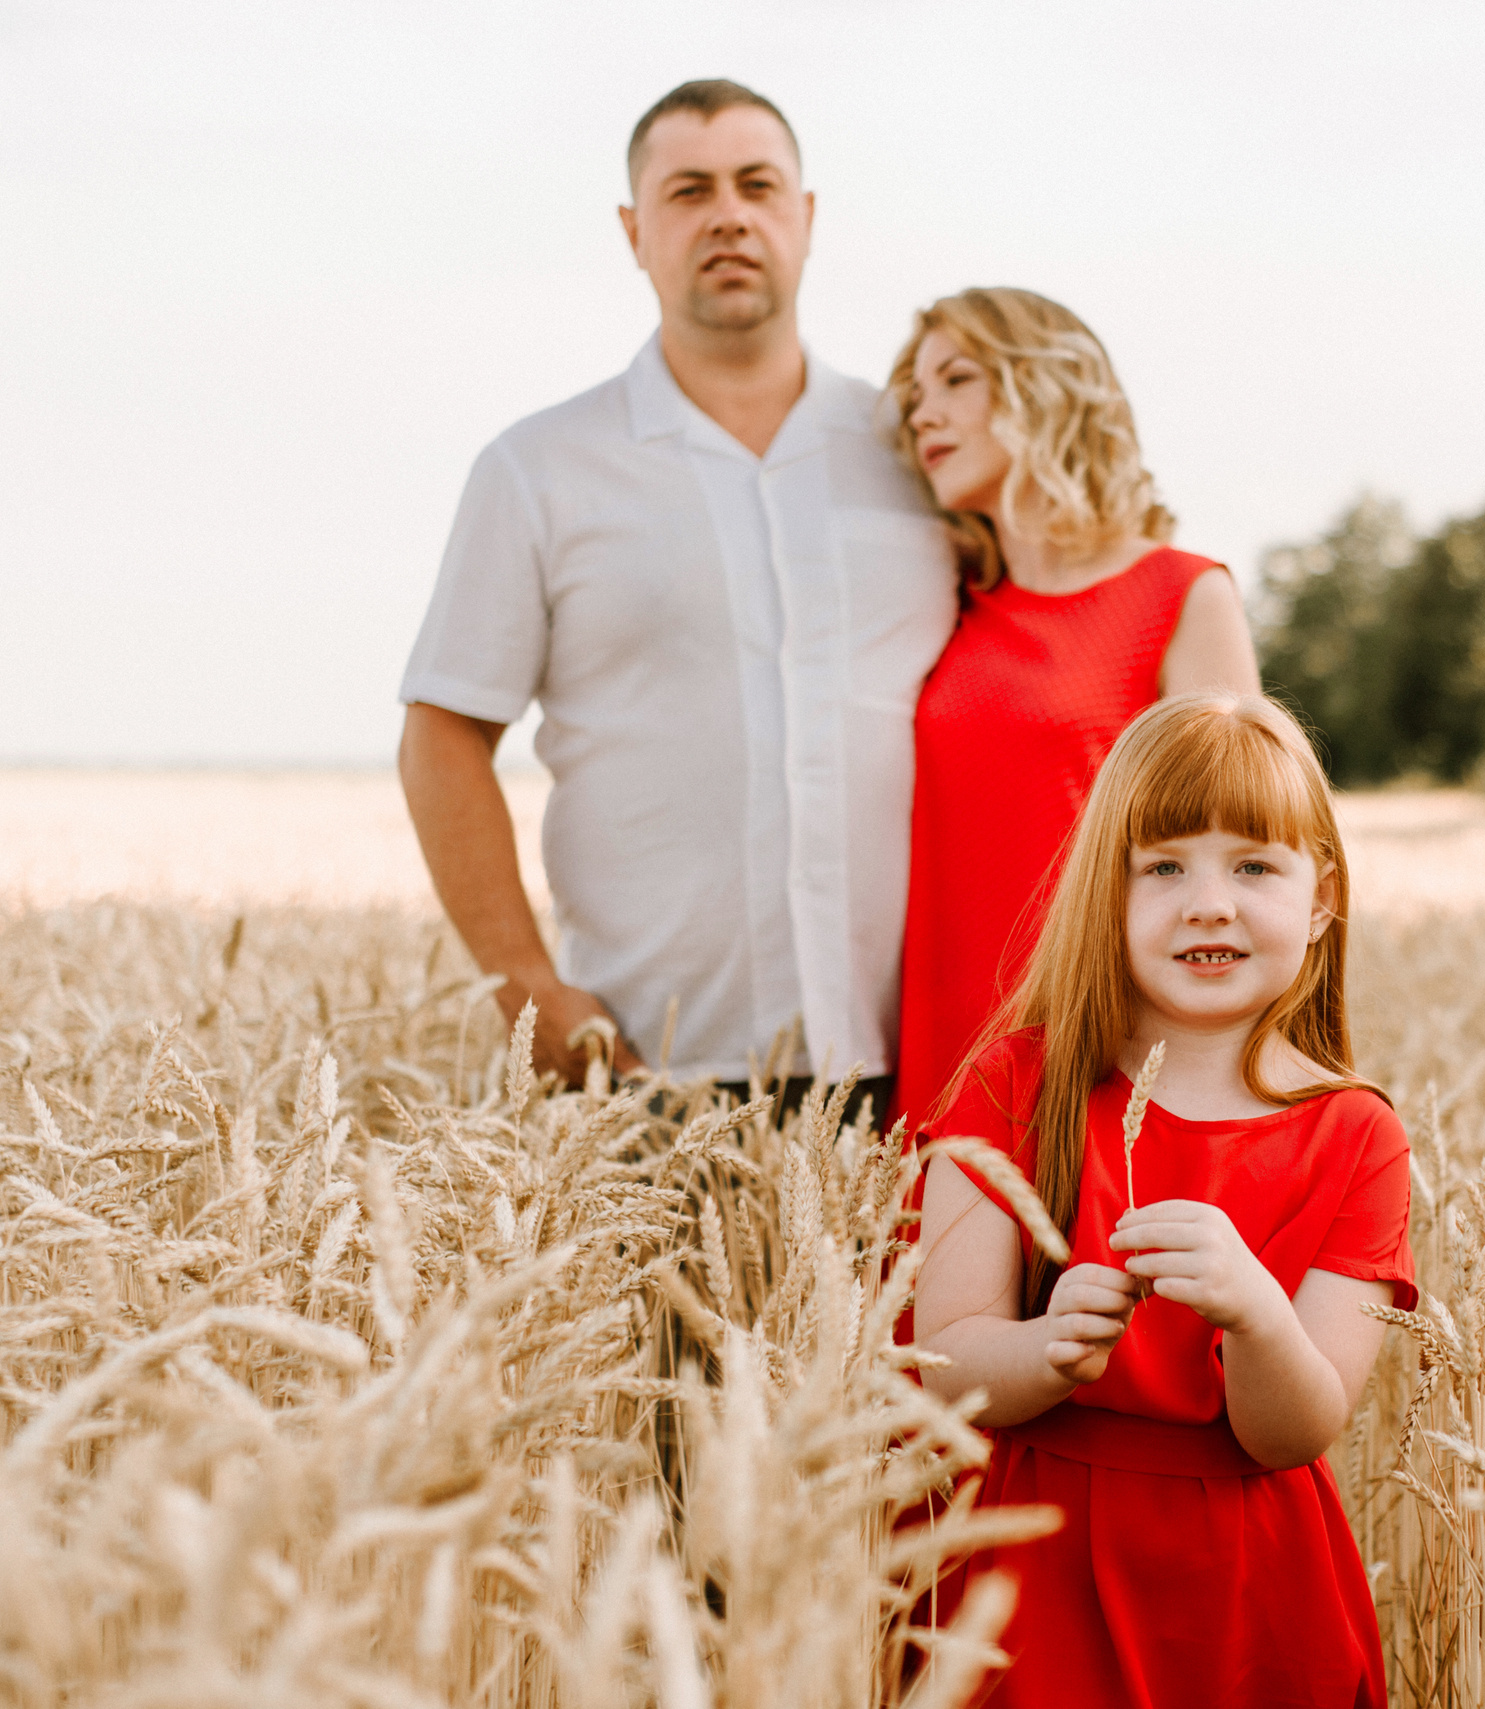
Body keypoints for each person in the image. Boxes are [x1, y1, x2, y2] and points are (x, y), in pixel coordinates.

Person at [397, 81, 954, 1112]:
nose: (728, 214)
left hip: (925, 1062)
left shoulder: (920, 454)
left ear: (807, 216)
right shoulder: (541, 468)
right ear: (633, 232)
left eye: (757, 184)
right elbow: (442, 730)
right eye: (688, 191)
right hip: (644, 1065)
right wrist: (524, 985)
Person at [913, 694, 1413, 1709]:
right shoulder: (1015, 1085)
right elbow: (943, 1359)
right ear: (1109, 892)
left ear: (1321, 898)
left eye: (1254, 865)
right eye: (1164, 865)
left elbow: (1297, 1429)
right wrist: (1047, 1347)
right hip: (1033, 1569)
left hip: (1248, 1591)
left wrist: (1256, 1313)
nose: (1209, 902)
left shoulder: (1356, 1134)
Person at [886, 289, 1259, 1128]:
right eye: (915, 394)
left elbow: (1245, 845)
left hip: (1108, 1042)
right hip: (947, 1037)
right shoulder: (946, 604)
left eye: (955, 379)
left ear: (1038, 388)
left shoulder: (1182, 593)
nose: (924, 413)